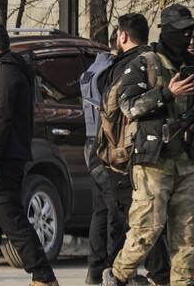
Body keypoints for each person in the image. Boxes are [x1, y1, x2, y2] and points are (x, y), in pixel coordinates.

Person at [103, 4, 194, 286]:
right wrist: (168, 93)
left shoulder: (191, 69)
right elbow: (129, 106)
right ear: (167, 32)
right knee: (145, 232)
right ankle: (117, 276)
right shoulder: (144, 63)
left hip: (188, 163)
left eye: (191, 32)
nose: (188, 39)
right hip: (154, 163)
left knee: (187, 236)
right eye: (182, 32)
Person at [0, 21, 58, 286]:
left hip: (1, 160)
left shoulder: (5, 73)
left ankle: (43, 276)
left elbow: (0, 118)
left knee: (13, 221)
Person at [94, 14, 170, 286]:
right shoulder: (157, 61)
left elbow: (118, 111)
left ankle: (155, 277)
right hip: (153, 152)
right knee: (141, 220)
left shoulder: (128, 66)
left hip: (126, 156)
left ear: (122, 36)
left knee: (139, 221)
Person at [79, 28, 117, 285]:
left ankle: (94, 270)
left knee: (100, 210)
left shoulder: (91, 69)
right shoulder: (113, 71)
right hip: (107, 143)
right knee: (116, 208)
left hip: (90, 142)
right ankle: (115, 268)